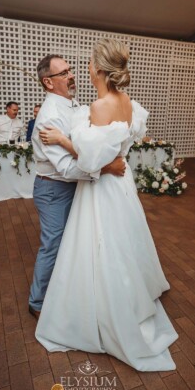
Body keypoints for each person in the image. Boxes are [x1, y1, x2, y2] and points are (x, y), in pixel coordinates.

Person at [36, 39, 178, 372]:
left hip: (103, 186)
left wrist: (61, 139)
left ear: (98, 69)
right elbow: (114, 148)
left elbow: (90, 159)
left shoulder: (100, 108)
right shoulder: (126, 100)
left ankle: (104, 308)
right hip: (122, 186)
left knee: (101, 245)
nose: (82, 69)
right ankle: (132, 294)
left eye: (85, 64)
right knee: (123, 241)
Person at [28, 54, 126, 319]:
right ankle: (37, 303)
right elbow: (67, 168)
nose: (72, 75)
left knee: (76, 242)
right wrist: (106, 167)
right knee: (54, 244)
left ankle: (67, 292)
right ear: (48, 82)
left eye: (70, 70)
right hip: (54, 190)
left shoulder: (73, 103)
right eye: (64, 73)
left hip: (76, 187)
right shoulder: (49, 116)